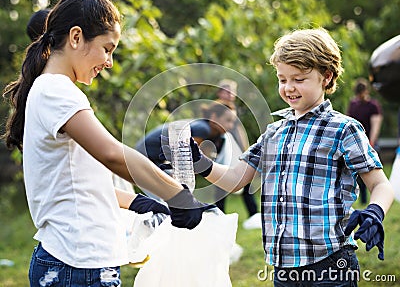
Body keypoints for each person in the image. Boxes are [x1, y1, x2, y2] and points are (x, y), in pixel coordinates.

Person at [2, 0, 210, 287]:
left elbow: (79, 182)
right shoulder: (55, 91)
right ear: (76, 37)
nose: (109, 61)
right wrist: (176, 194)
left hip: (77, 261)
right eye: (107, 48)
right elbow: (112, 154)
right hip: (76, 264)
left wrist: (139, 201)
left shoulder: (54, 90)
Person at [164, 28, 394, 286]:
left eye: (299, 79)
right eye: (283, 79)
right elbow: (235, 179)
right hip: (282, 267)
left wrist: (375, 211)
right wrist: (200, 162)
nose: (289, 88)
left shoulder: (343, 129)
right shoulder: (274, 132)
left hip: (330, 264)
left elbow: (380, 184)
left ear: (326, 77)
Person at [136, 101, 237, 199]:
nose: (231, 126)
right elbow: (190, 162)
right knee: (171, 193)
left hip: (155, 159)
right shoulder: (203, 129)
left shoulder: (214, 134)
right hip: (144, 156)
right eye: (228, 120)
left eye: (233, 122)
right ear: (214, 117)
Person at [215, 79, 260, 229]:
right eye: (227, 91)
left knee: (245, 183)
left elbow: (238, 132)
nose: (230, 94)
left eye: (232, 91)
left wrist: (245, 149)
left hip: (237, 152)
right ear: (220, 92)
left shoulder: (232, 108)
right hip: (223, 153)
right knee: (221, 185)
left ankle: (253, 214)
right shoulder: (217, 109)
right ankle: (218, 218)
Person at [347, 78, 383, 204]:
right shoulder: (353, 104)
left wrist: (371, 141)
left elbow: (376, 124)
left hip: (369, 142)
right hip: (355, 143)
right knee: (357, 175)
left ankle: (374, 199)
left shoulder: (373, 105)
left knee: (371, 173)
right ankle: (362, 200)